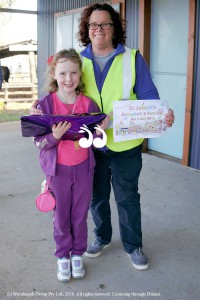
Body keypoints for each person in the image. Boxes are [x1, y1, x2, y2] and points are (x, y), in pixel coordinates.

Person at [31, 3, 175, 271]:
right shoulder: (79, 60)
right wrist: (40, 110)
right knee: (95, 197)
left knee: (127, 196)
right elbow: (60, 89)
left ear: (114, 27)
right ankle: (102, 237)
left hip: (125, 144)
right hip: (88, 146)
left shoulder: (132, 58)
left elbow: (149, 99)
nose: (99, 29)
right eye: (93, 24)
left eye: (105, 24)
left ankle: (133, 245)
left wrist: (162, 114)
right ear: (87, 29)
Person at [33, 48, 109, 282]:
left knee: (79, 214)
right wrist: (54, 137)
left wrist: (100, 131)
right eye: (63, 73)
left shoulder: (89, 104)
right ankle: (62, 256)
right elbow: (39, 142)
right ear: (54, 74)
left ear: (80, 74)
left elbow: (95, 143)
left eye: (74, 73)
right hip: (58, 172)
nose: (69, 79)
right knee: (61, 216)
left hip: (84, 170)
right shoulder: (45, 105)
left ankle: (78, 254)